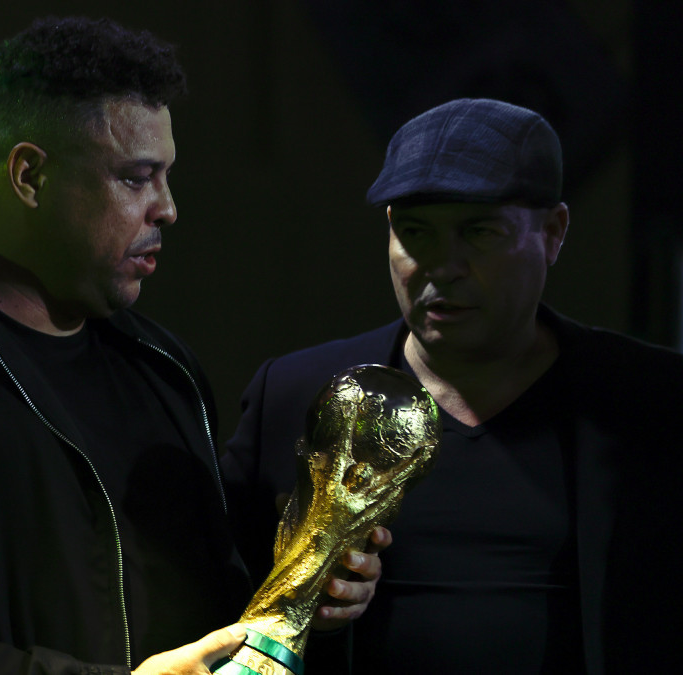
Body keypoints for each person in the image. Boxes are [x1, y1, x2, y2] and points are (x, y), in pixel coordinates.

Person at [0, 16, 380, 675]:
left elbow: (215, 612)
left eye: (166, 176)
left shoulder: (164, 368)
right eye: (135, 178)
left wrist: (302, 584)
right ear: (29, 175)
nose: (168, 208)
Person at [223, 97, 683, 673]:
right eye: (417, 233)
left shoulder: (654, 403)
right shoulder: (297, 396)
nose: (443, 266)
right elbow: (205, 598)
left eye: (479, 233)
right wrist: (299, 590)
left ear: (553, 232)